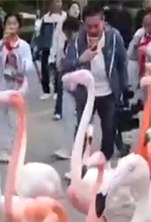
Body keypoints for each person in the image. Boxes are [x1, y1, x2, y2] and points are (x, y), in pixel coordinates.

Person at [61, 4, 129, 161]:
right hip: (86, 93)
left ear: (103, 21)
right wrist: (81, 59)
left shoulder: (113, 37)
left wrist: (124, 88)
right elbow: (64, 66)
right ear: (83, 24)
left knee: (109, 129)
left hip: (108, 92)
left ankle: (104, 163)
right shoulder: (78, 41)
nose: (92, 30)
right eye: (88, 26)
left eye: (96, 26)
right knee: (82, 130)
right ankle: (80, 164)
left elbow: (122, 62)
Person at [0, 13, 35, 162]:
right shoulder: (0, 45)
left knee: (15, 118)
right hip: (3, 86)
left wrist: (23, 68)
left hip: (18, 86)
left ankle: (16, 149)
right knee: (2, 118)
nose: (11, 27)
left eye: (14, 24)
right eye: (9, 24)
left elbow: (28, 63)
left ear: (19, 27)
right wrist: (3, 44)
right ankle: (4, 150)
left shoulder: (24, 46)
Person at [55, 16, 83, 159]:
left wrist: (64, 64)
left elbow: (73, 62)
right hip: (67, 84)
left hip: (78, 85)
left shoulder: (80, 45)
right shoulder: (67, 44)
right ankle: (68, 147)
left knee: (78, 118)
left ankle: (75, 147)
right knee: (68, 117)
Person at [36, 0, 68, 100]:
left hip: (60, 45)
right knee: (45, 68)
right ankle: (46, 90)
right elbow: (41, 33)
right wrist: (39, 46)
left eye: (59, 1)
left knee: (58, 67)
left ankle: (57, 90)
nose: (57, 4)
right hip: (47, 46)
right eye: (55, 1)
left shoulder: (64, 16)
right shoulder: (46, 18)